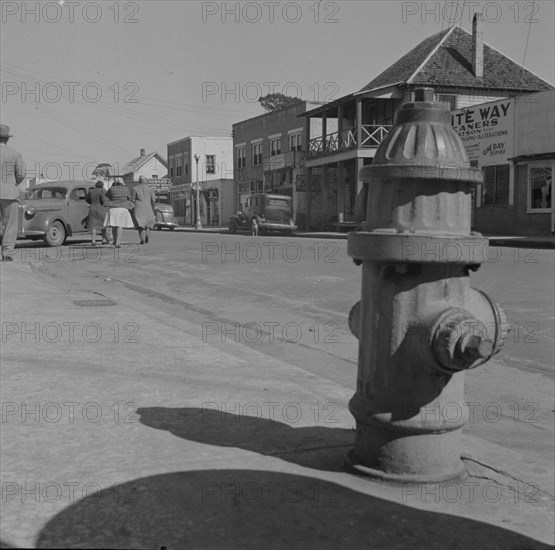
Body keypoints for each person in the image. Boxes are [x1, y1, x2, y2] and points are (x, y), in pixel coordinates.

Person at [0, 124, 26, 262]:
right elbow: (21, 174)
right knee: (10, 223)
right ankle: (7, 252)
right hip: (9, 193)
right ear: (7, 139)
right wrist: (12, 183)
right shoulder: (15, 155)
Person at [104, 178, 135, 248]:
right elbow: (129, 198)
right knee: (120, 226)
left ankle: (115, 241)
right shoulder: (126, 189)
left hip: (113, 208)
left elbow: (106, 195)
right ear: (122, 182)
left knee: (114, 226)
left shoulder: (111, 188)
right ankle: (118, 242)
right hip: (123, 208)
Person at [131, 175, 156, 244]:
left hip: (138, 206)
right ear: (146, 181)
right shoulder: (150, 189)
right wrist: (153, 208)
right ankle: (147, 234)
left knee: (139, 223)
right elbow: (153, 200)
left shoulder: (135, 188)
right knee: (149, 222)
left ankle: (142, 239)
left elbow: (132, 199)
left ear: (139, 181)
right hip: (148, 206)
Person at [85, 181, 110, 246]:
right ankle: (103, 240)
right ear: (102, 186)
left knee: (93, 225)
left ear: (96, 185)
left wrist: (91, 203)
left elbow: (87, 199)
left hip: (92, 208)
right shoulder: (101, 191)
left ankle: (93, 241)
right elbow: (104, 200)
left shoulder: (91, 191)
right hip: (100, 209)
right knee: (103, 225)